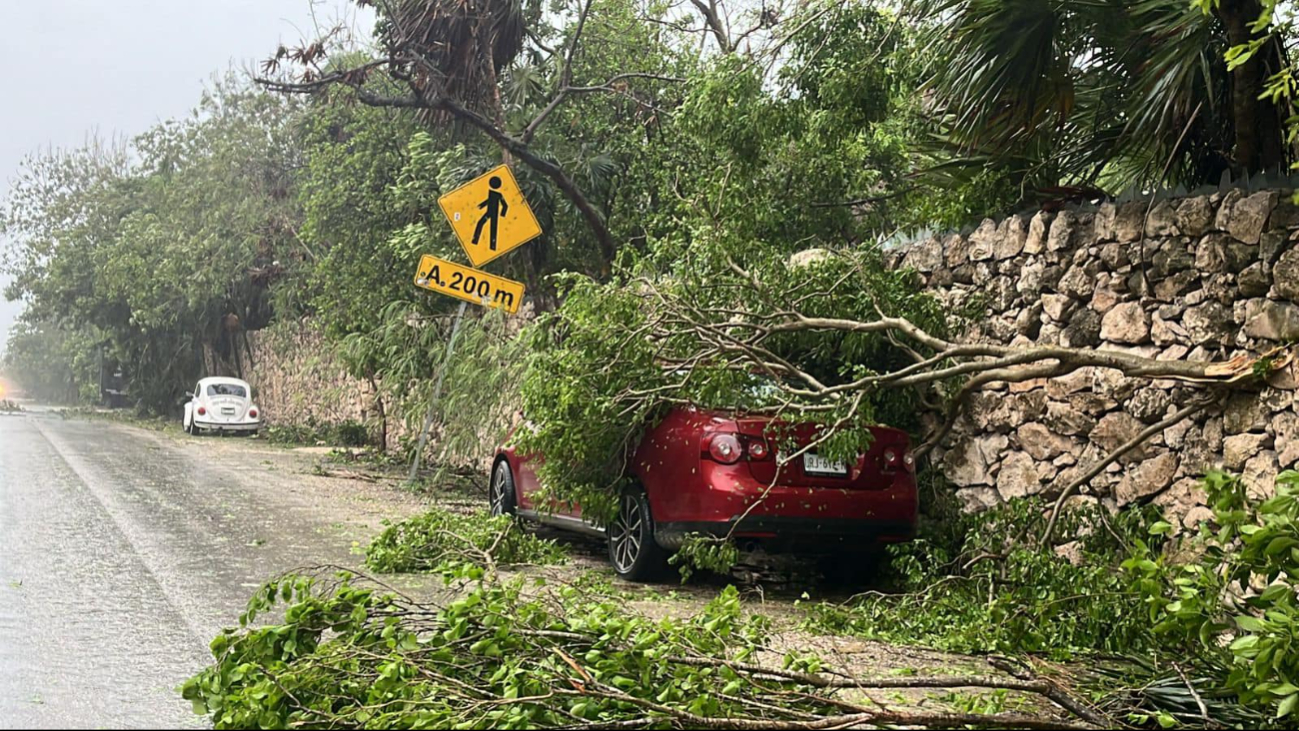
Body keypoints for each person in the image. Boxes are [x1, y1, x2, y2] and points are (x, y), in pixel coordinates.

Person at [472, 176, 509, 251]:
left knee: (493, 229)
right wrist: (481, 205)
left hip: (494, 214)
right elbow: (489, 201)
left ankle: (492, 247)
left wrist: (502, 214)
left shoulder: (498, 195)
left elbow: (505, 205)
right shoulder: (492, 193)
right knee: (480, 223)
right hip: (489, 212)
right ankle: (475, 240)